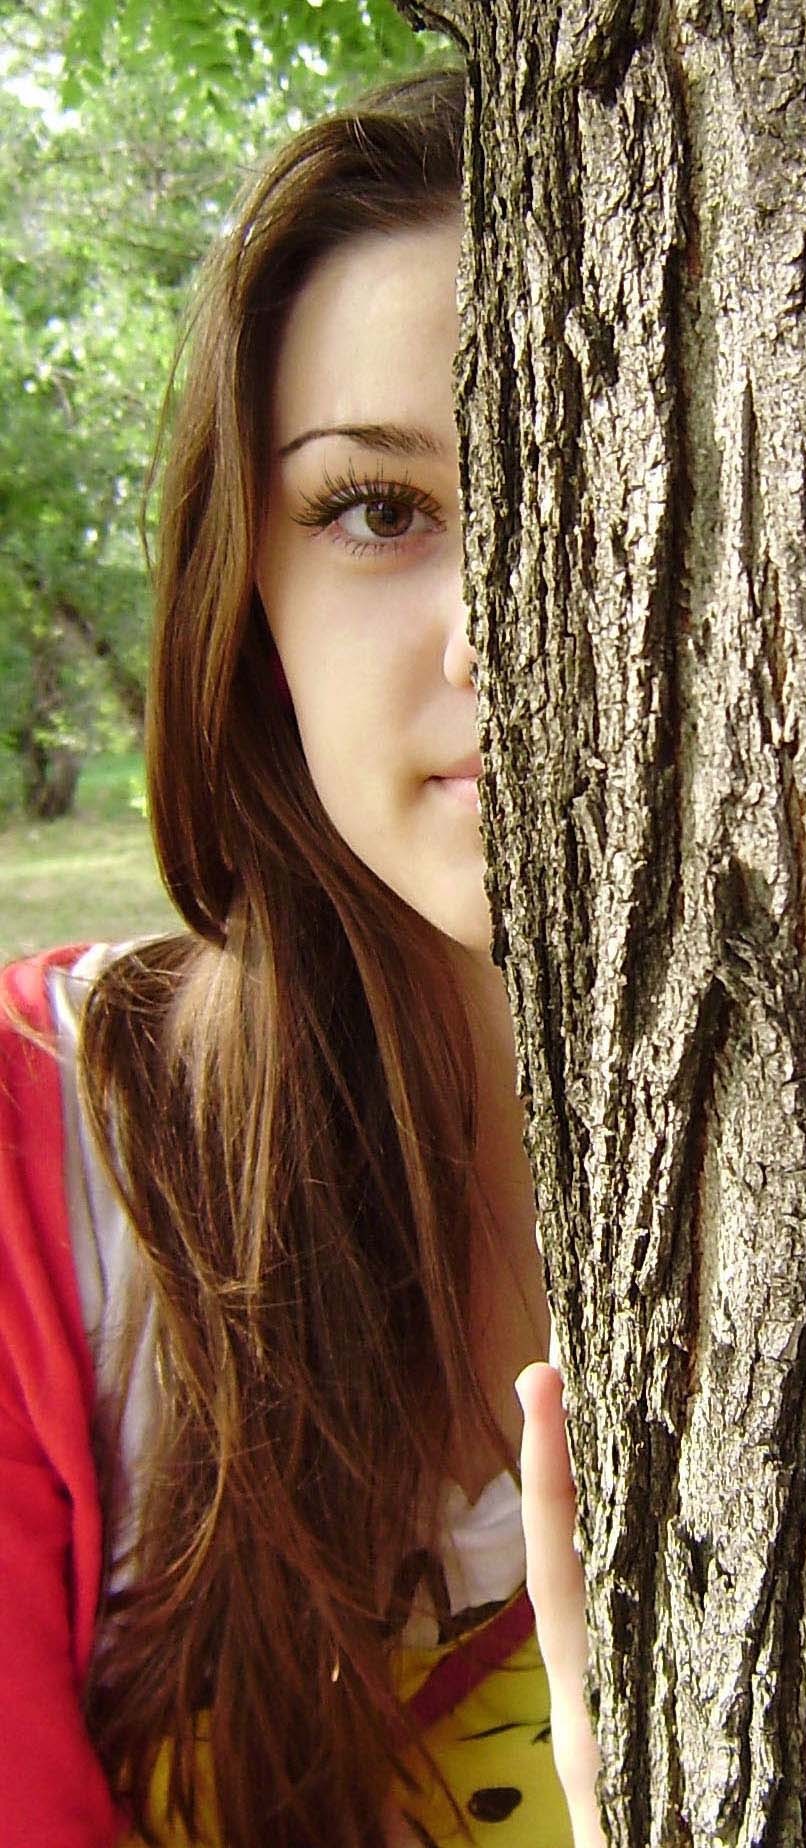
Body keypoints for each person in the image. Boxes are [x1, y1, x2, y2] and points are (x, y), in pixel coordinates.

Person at [0, 63, 605, 1848]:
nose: (507, 633)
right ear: (248, 595)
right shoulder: (46, 1186)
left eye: (616, 487)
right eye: (380, 511)